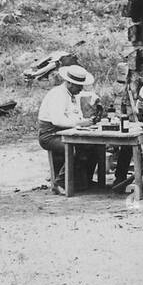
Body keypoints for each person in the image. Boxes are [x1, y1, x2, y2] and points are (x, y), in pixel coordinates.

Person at [37, 65, 99, 194]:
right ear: (69, 83)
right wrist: (80, 124)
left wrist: (86, 122)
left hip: (66, 132)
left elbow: (75, 114)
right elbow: (57, 120)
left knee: (94, 145)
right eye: (78, 86)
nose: (81, 89)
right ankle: (59, 183)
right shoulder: (58, 95)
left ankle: (84, 180)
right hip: (50, 135)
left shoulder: (72, 94)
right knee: (74, 148)